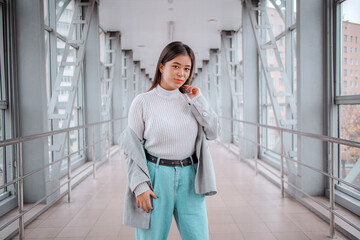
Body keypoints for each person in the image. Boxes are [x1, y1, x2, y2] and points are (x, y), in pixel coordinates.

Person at [119, 41, 219, 240]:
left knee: (198, 236)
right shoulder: (143, 102)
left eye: (186, 68)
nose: (181, 73)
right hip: (155, 177)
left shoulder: (191, 101)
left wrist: (199, 100)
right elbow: (131, 148)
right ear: (162, 66)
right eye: (175, 66)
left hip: (190, 177)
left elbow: (213, 132)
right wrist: (140, 186)